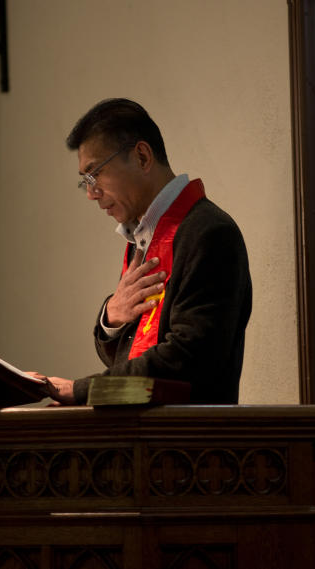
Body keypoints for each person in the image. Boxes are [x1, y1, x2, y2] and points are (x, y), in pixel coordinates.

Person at [42, 98, 252, 405]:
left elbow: (190, 359)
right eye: (84, 182)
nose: (91, 193)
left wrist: (79, 390)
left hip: (192, 440)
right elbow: (125, 360)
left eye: (94, 173)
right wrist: (111, 319)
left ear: (142, 156)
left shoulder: (208, 232)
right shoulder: (142, 239)